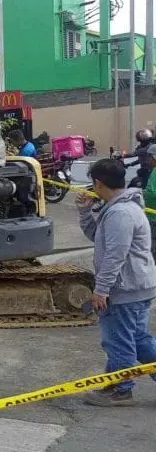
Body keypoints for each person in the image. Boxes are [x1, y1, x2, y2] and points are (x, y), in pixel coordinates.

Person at [77, 157, 156, 406]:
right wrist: (84, 212)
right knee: (138, 338)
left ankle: (120, 389)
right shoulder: (122, 207)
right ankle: (119, 384)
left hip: (125, 288)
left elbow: (115, 255)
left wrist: (101, 289)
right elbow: (100, 238)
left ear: (98, 183)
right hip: (137, 287)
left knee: (118, 340)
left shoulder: (120, 212)